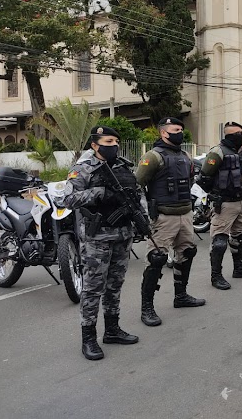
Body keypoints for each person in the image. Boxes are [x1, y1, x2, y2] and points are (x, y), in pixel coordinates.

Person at [62, 126, 140, 360]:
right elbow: (67, 199)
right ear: (95, 145)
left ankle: (112, 329)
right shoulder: (82, 169)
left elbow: (137, 196)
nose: (114, 145)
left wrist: (142, 221)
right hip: (97, 238)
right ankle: (88, 338)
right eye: (108, 141)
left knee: (114, 285)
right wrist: (99, 193)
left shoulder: (124, 167)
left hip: (122, 234)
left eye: (116, 141)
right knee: (93, 288)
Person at [135, 117, 205, 328]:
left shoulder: (185, 156)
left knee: (187, 254)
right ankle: (147, 308)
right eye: (176, 129)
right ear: (164, 133)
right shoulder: (153, 156)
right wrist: (145, 215)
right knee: (156, 259)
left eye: (181, 129)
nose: (180, 132)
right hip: (163, 217)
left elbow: (190, 181)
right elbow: (137, 186)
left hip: (185, 214)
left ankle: (181, 296)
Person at [199, 122, 242, 290]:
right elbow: (203, 177)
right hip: (224, 203)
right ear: (228, 135)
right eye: (237, 134)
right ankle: (216, 276)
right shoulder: (217, 152)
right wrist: (215, 194)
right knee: (220, 241)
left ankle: (239, 268)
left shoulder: (241, 153)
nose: (240, 136)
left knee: (241, 237)